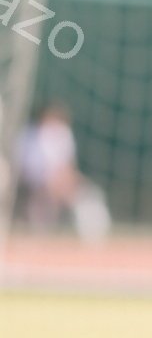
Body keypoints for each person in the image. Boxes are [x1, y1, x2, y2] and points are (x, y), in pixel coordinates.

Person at [15, 100, 111, 240]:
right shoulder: (30, 135)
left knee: (88, 192)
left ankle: (93, 232)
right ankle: (41, 230)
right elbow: (29, 166)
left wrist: (70, 179)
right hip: (35, 178)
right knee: (49, 193)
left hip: (59, 178)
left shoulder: (63, 133)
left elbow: (67, 165)